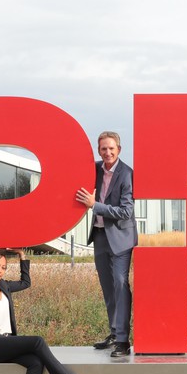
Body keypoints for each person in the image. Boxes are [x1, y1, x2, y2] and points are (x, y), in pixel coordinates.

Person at [74, 131, 138, 358]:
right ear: (98, 150)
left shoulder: (127, 174)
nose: (107, 152)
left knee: (120, 284)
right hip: (100, 236)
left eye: (111, 148)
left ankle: (123, 341)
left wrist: (95, 205)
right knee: (108, 288)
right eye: (103, 149)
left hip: (121, 239)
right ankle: (114, 332)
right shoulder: (95, 169)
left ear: (119, 149)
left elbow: (126, 211)